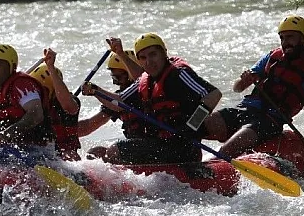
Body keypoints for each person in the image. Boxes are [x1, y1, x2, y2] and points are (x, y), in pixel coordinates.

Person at [203, 15, 304, 174]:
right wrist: (245, 80)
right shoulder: (272, 57)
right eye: (282, 38)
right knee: (198, 125)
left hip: (269, 121)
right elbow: (237, 88)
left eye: (290, 37)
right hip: (244, 110)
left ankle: (205, 171)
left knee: (231, 147)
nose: (285, 42)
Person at [83, 33, 222, 164]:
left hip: (183, 147)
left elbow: (214, 94)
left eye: (153, 54)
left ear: (164, 53)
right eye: (143, 58)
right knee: (96, 153)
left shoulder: (179, 74)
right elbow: (119, 102)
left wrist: (192, 126)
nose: (149, 61)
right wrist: (95, 90)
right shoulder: (145, 80)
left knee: (115, 150)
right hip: (160, 144)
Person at [78, 49, 146, 157]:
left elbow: (120, 102)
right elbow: (89, 125)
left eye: (118, 77)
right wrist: (64, 130)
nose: (115, 82)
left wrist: (95, 90)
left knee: (113, 151)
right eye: (113, 77)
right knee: (95, 153)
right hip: (135, 146)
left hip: (152, 144)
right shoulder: (116, 98)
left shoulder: (142, 91)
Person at [30, 48, 81, 161]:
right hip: (37, 154)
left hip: (63, 157)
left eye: (40, 91)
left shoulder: (69, 103)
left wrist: (51, 68)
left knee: (71, 155)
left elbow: (69, 107)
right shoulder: (30, 105)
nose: (35, 95)